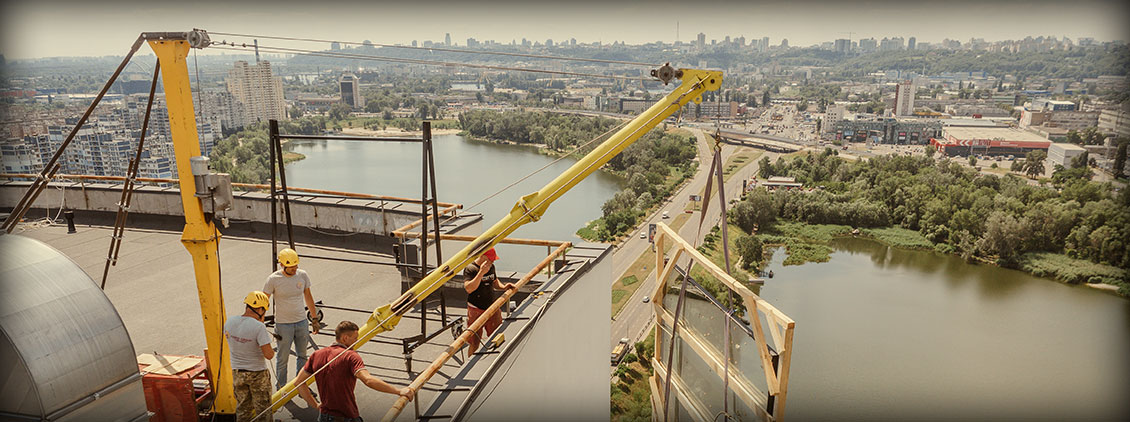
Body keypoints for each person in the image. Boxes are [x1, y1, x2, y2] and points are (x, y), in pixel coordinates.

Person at [295, 321, 414, 422]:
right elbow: (368, 380)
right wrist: (398, 391)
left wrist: (316, 405)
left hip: (324, 417)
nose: (356, 341)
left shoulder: (317, 354)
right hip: (346, 416)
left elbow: (298, 383)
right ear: (345, 338)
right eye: (355, 338)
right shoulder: (351, 356)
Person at [264, 247, 320, 391]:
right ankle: (282, 389)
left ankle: (301, 387)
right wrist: (258, 323)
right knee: (282, 359)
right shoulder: (273, 279)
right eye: (291, 267)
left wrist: (314, 319)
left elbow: (308, 296)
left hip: (301, 322)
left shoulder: (302, 275)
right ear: (282, 265)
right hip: (283, 325)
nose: (294, 269)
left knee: (302, 356)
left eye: (296, 266)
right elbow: (264, 301)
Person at [224, 291, 275, 422]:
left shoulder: (229, 322)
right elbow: (269, 355)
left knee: (243, 410)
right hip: (257, 374)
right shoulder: (259, 327)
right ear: (260, 309)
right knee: (263, 412)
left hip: (237, 373)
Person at [462, 248, 515, 355]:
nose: (492, 262)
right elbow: (469, 288)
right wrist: (481, 273)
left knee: (497, 336)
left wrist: (504, 287)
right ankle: (469, 365)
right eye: (490, 259)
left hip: (492, 307)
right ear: (483, 257)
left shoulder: (491, 267)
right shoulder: (470, 269)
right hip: (476, 309)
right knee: (474, 342)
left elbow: (494, 282)